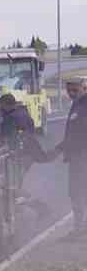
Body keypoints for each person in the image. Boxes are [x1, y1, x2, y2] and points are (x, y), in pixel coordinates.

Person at [55, 75, 87, 236]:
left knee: (77, 191)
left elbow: (79, 134)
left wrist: (59, 148)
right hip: (77, 155)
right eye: (69, 90)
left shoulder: (84, 105)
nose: (72, 93)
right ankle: (80, 226)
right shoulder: (77, 104)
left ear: (84, 88)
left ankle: (79, 228)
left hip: (82, 155)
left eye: (75, 90)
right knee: (77, 191)